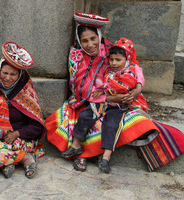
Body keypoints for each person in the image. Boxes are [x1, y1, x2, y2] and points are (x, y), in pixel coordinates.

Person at [46, 12, 184, 173]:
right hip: (85, 101)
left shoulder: (111, 53)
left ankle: (91, 156)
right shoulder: (76, 56)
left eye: (93, 38)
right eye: (84, 40)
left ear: (99, 35)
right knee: (74, 120)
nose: (90, 44)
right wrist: (110, 97)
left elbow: (133, 69)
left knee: (113, 123)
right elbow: (80, 89)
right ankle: (82, 154)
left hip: (114, 103)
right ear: (79, 41)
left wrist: (136, 90)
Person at [61, 38, 148, 173]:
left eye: (118, 60)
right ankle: (76, 145)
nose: (114, 63)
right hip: (103, 102)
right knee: (85, 115)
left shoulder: (132, 70)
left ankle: (106, 157)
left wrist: (136, 90)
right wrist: (102, 92)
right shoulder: (106, 70)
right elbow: (96, 88)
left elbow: (134, 82)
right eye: (112, 59)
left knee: (112, 124)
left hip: (119, 105)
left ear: (127, 59)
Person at [0, 41, 46, 178]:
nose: (7, 78)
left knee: (6, 146)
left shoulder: (24, 92)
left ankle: (19, 160)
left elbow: (37, 127)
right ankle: (17, 160)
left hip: (19, 138)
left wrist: (16, 133)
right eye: (4, 73)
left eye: (13, 74)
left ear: (19, 76)